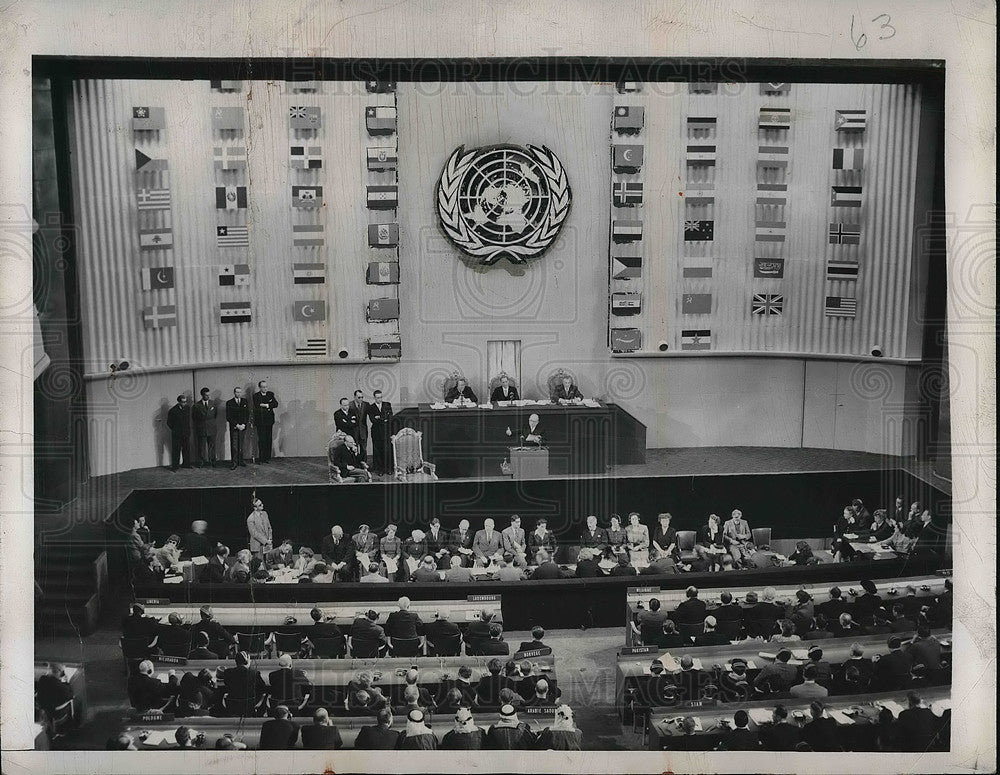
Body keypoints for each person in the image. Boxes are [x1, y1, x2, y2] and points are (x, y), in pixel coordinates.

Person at [366, 389, 393, 475]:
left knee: (387, 450)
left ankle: (388, 469)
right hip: (376, 432)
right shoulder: (371, 407)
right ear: (374, 398)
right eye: (377, 398)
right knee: (378, 451)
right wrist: (384, 418)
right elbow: (373, 420)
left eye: (381, 397)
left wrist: (379, 417)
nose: (379, 399)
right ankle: (380, 469)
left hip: (386, 431)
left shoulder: (387, 404)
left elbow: (390, 418)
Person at [252, 379, 278, 463]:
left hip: (269, 421)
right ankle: (261, 458)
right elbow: (257, 405)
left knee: (268, 439)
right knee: (261, 439)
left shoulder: (271, 394)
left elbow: (276, 404)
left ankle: (267, 457)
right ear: (259, 387)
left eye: (266, 387)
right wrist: (269, 405)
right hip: (261, 421)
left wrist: (266, 405)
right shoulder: (256, 396)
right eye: (263, 387)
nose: (265, 388)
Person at [165, 394, 193, 471]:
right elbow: (169, 423)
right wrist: (175, 430)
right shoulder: (173, 410)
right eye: (183, 402)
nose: (185, 403)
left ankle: (186, 464)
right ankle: (175, 467)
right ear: (179, 402)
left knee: (186, 449)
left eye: (185, 402)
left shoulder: (187, 408)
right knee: (176, 450)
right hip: (177, 434)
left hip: (186, 433)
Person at [191, 388, 217, 467]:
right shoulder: (196, 406)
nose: (208, 396)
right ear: (202, 395)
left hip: (211, 428)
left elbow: (215, 415)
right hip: (201, 428)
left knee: (212, 445)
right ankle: (201, 462)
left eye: (209, 395)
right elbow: (194, 418)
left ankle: (213, 461)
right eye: (206, 395)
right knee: (201, 446)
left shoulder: (213, 404)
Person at [225, 387, 250, 469]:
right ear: (234, 393)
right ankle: (234, 463)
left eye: (240, 392)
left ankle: (240, 461)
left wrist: (244, 424)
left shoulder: (245, 401)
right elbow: (228, 416)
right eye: (237, 392)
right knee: (234, 446)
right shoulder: (229, 402)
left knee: (241, 445)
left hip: (243, 427)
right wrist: (237, 425)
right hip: (235, 427)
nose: (238, 394)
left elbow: (247, 414)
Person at [348, 389, 370, 455]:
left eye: (362, 397)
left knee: (364, 448)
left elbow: (371, 413)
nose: (361, 399)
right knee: (354, 448)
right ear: (354, 397)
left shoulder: (366, 404)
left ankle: (364, 462)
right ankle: (356, 463)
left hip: (363, 430)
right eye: (359, 397)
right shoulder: (349, 405)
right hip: (353, 430)